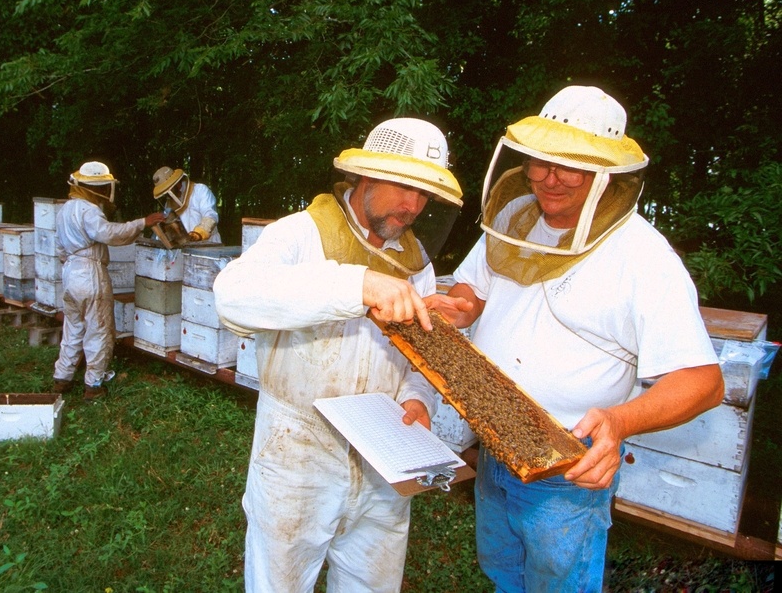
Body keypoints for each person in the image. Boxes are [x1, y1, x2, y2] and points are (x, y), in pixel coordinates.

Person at [435, 86, 724, 592]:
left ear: (607, 173)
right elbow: (474, 288)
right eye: (542, 162)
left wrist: (619, 420)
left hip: (567, 465)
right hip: (497, 439)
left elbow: (703, 382)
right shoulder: (513, 217)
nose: (549, 179)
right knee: (503, 572)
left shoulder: (644, 257)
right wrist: (461, 307)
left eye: (570, 166)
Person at [213, 118, 464, 592]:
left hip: (385, 452)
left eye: (424, 194)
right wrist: (358, 285)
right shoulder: (299, 234)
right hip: (298, 446)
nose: (412, 206)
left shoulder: (417, 265)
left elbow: (418, 362)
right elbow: (232, 296)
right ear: (365, 175)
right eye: (403, 187)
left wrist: (417, 400)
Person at [52, 161, 165, 400]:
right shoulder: (89, 210)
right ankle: (93, 386)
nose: (106, 192)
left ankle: (62, 379)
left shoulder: (64, 210)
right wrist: (142, 223)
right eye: (104, 187)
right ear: (96, 188)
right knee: (99, 329)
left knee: (73, 328)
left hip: (70, 273)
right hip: (90, 273)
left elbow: (60, 249)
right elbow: (108, 234)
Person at [152, 166, 222, 243]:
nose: (166, 195)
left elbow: (210, 215)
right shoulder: (168, 205)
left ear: (176, 183)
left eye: (167, 191)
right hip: (186, 248)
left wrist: (198, 234)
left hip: (209, 245)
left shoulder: (200, 190)